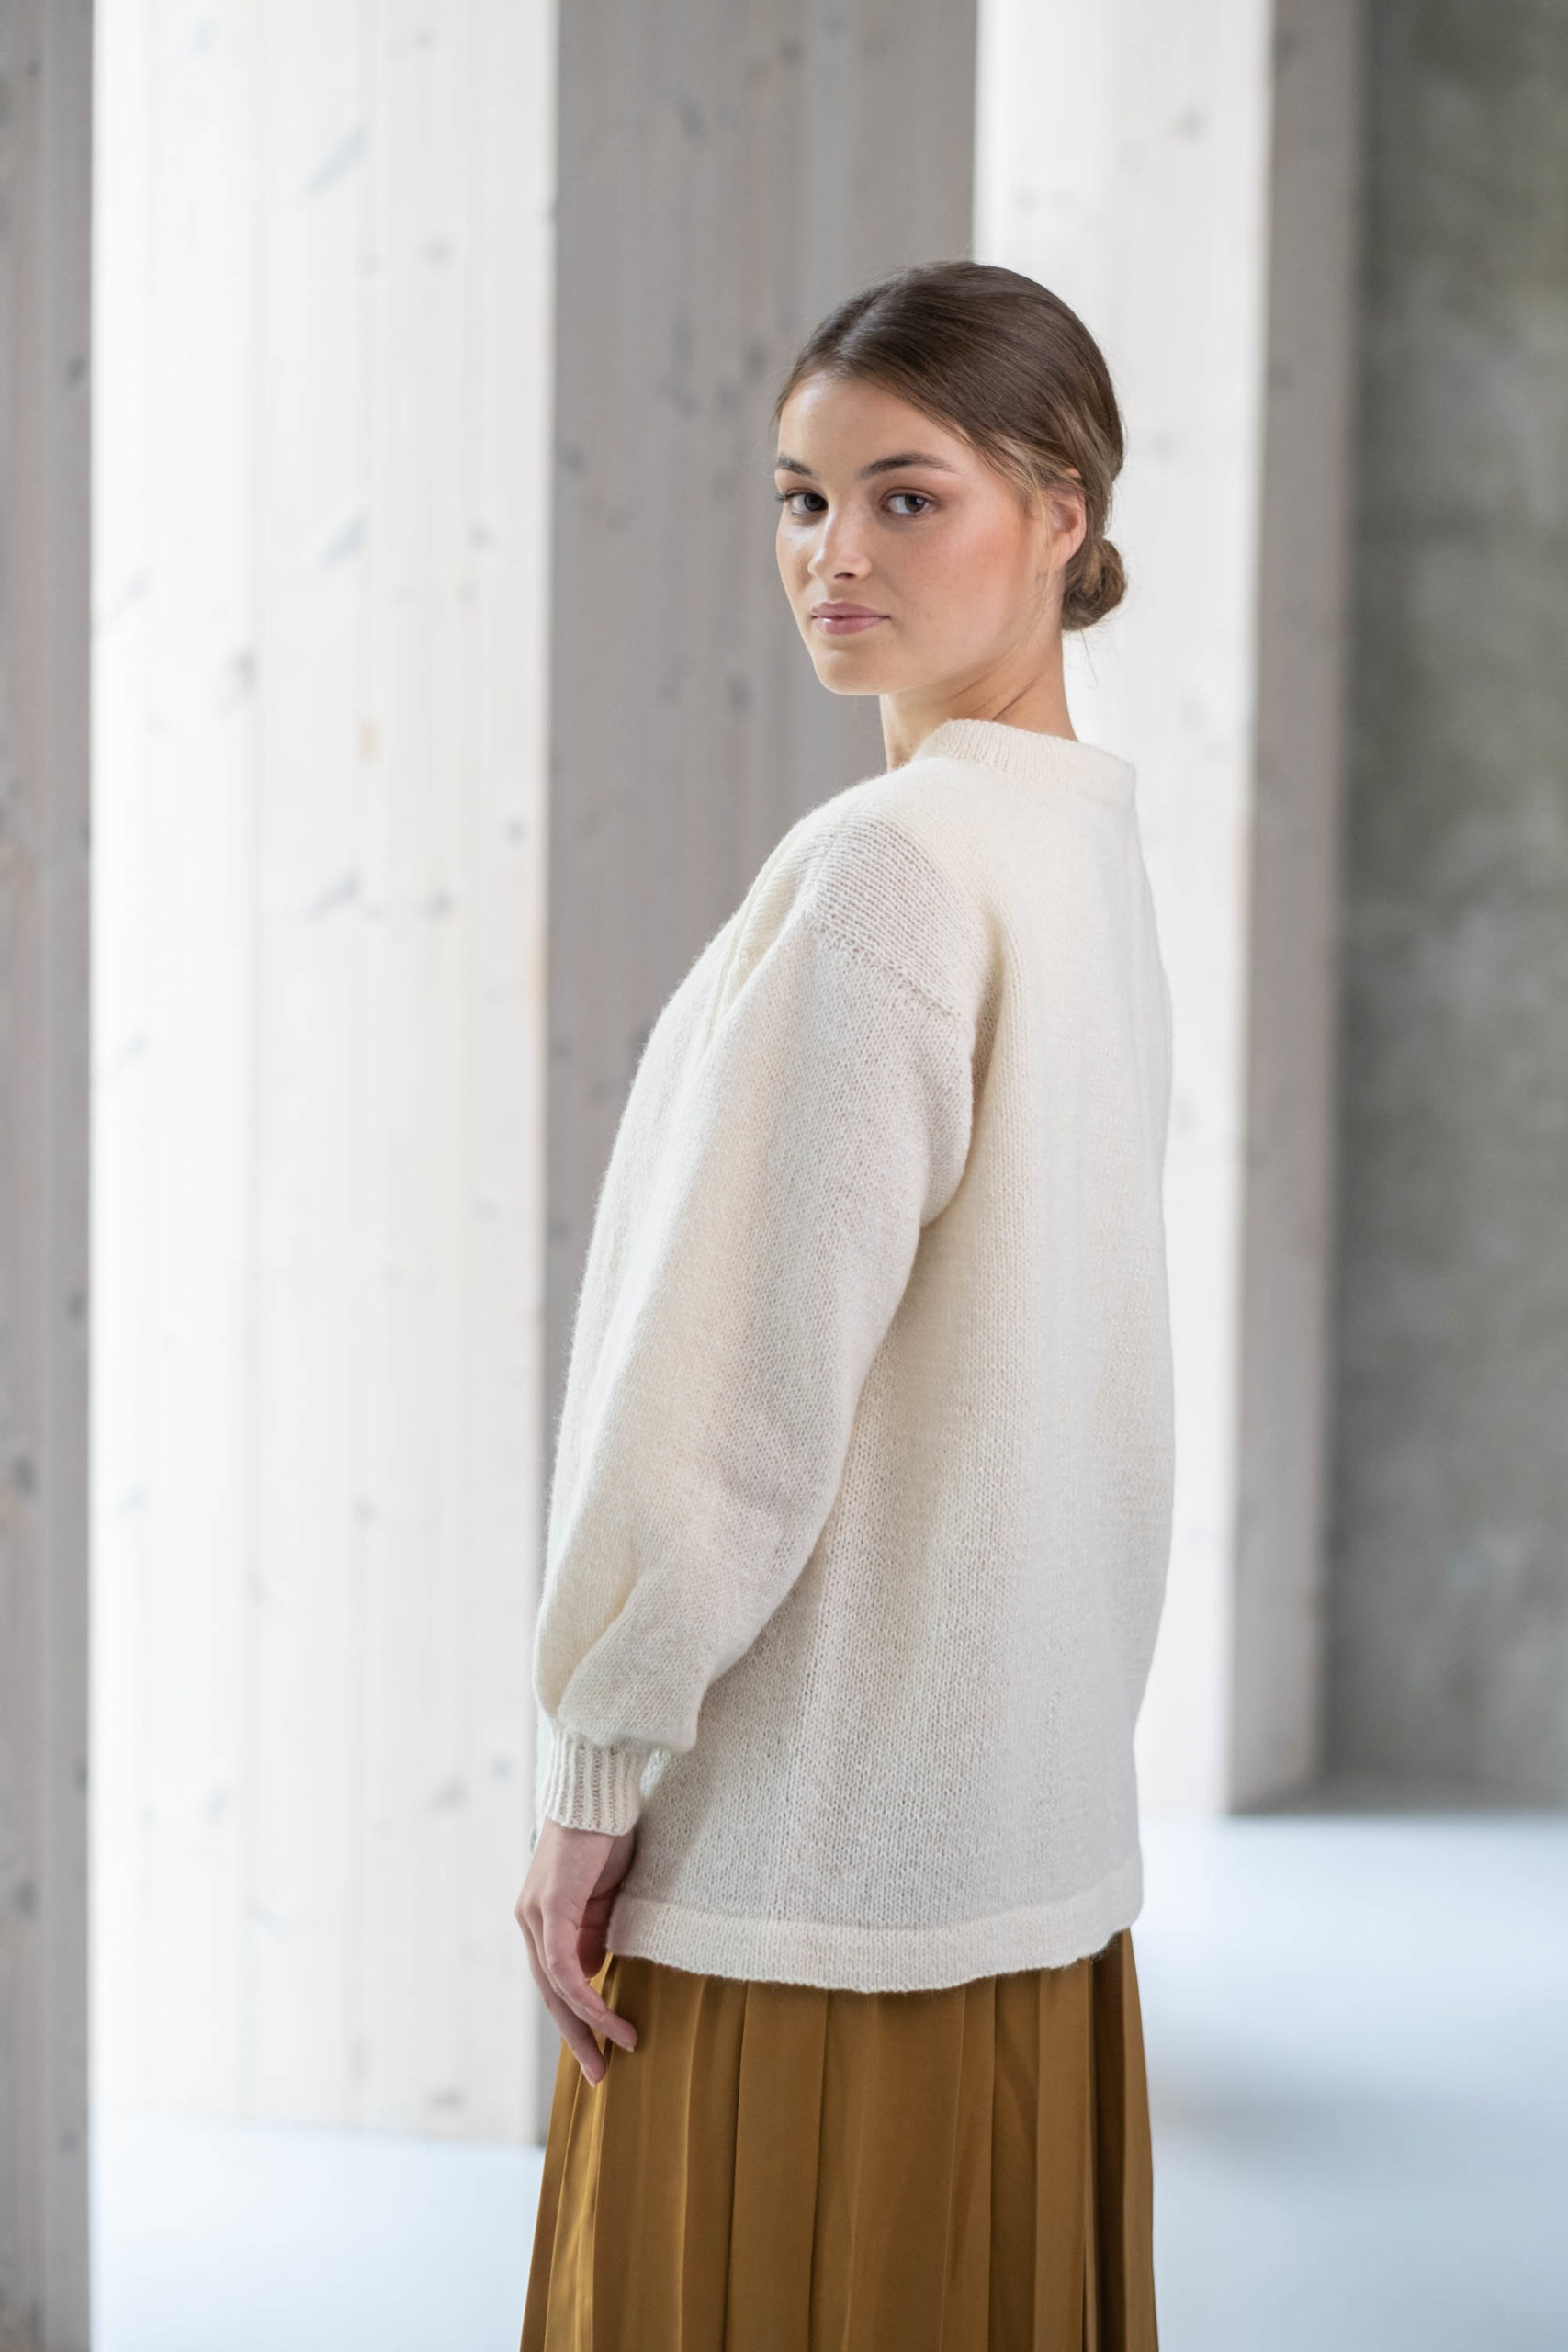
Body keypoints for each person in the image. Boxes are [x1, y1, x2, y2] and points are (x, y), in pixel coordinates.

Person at [515, 258, 1174, 2352]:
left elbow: (736, 1390)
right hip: (1022, 1840)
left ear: (1059, 515)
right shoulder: (1081, 852)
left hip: (807, 1865)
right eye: (802, 499)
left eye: (907, 497)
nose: (834, 555)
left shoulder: (892, 867)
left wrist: (593, 1769)